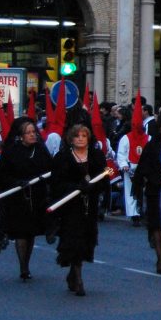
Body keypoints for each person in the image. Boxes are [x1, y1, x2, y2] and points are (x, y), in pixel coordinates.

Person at [49, 124, 111, 297]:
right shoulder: (62, 158)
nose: (81, 139)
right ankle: (78, 278)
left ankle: (73, 273)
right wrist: (76, 187)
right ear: (71, 139)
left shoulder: (96, 156)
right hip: (71, 206)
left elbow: (106, 174)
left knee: (86, 239)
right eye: (77, 136)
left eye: (84, 136)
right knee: (73, 239)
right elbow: (56, 182)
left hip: (89, 205)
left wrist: (95, 186)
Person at [0, 117, 52, 280]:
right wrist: (16, 182)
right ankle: (23, 267)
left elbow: (50, 168)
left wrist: (44, 179)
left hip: (36, 196)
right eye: (28, 133)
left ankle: (26, 262)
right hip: (18, 197)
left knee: (31, 232)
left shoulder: (41, 150)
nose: (32, 135)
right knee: (22, 232)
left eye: (33, 132)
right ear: (20, 136)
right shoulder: (11, 152)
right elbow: (2, 175)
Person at [133, 115, 161, 274]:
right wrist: (157, 179)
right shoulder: (153, 146)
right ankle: (159, 258)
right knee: (157, 224)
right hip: (156, 190)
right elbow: (145, 167)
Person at [116, 92, 148, 227]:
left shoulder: (148, 138)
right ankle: (134, 214)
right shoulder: (126, 138)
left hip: (143, 169)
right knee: (131, 192)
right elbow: (121, 154)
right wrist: (124, 165)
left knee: (143, 192)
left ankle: (142, 212)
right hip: (130, 168)